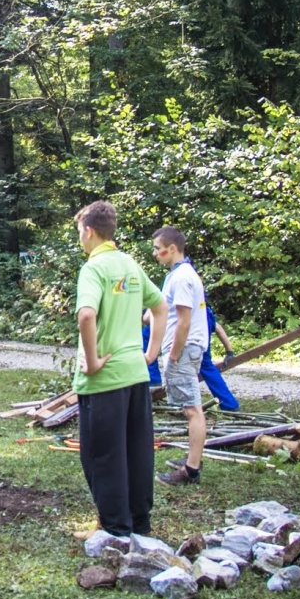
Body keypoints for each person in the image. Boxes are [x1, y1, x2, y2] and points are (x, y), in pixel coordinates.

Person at [72, 200, 167, 548]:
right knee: (136, 451)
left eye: (79, 232)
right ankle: (139, 522)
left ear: (89, 231)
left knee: (102, 455)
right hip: (136, 375)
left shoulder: (94, 268)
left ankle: (115, 530)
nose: (80, 238)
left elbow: (86, 315)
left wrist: (93, 360)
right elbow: (160, 306)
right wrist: (150, 354)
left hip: (105, 380)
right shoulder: (129, 263)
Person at [151, 226, 209, 486]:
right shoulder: (178, 274)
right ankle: (192, 459)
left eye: (158, 248)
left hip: (183, 350)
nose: (155, 254)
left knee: (193, 409)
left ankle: (191, 470)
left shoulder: (182, 277)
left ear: (171, 248)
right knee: (190, 407)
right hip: (184, 350)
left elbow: (184, 321)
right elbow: (165, 312)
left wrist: (174, 354)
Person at [143, 301, 240, 412]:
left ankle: (154, 381)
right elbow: (218, 328)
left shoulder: (164, 295)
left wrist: (153, 314)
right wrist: (229, 352)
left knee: (146, 334)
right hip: (201, 317)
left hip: (180, 319)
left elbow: (147, 319)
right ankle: (230, 405)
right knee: (206, 364)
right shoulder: (201, 302)